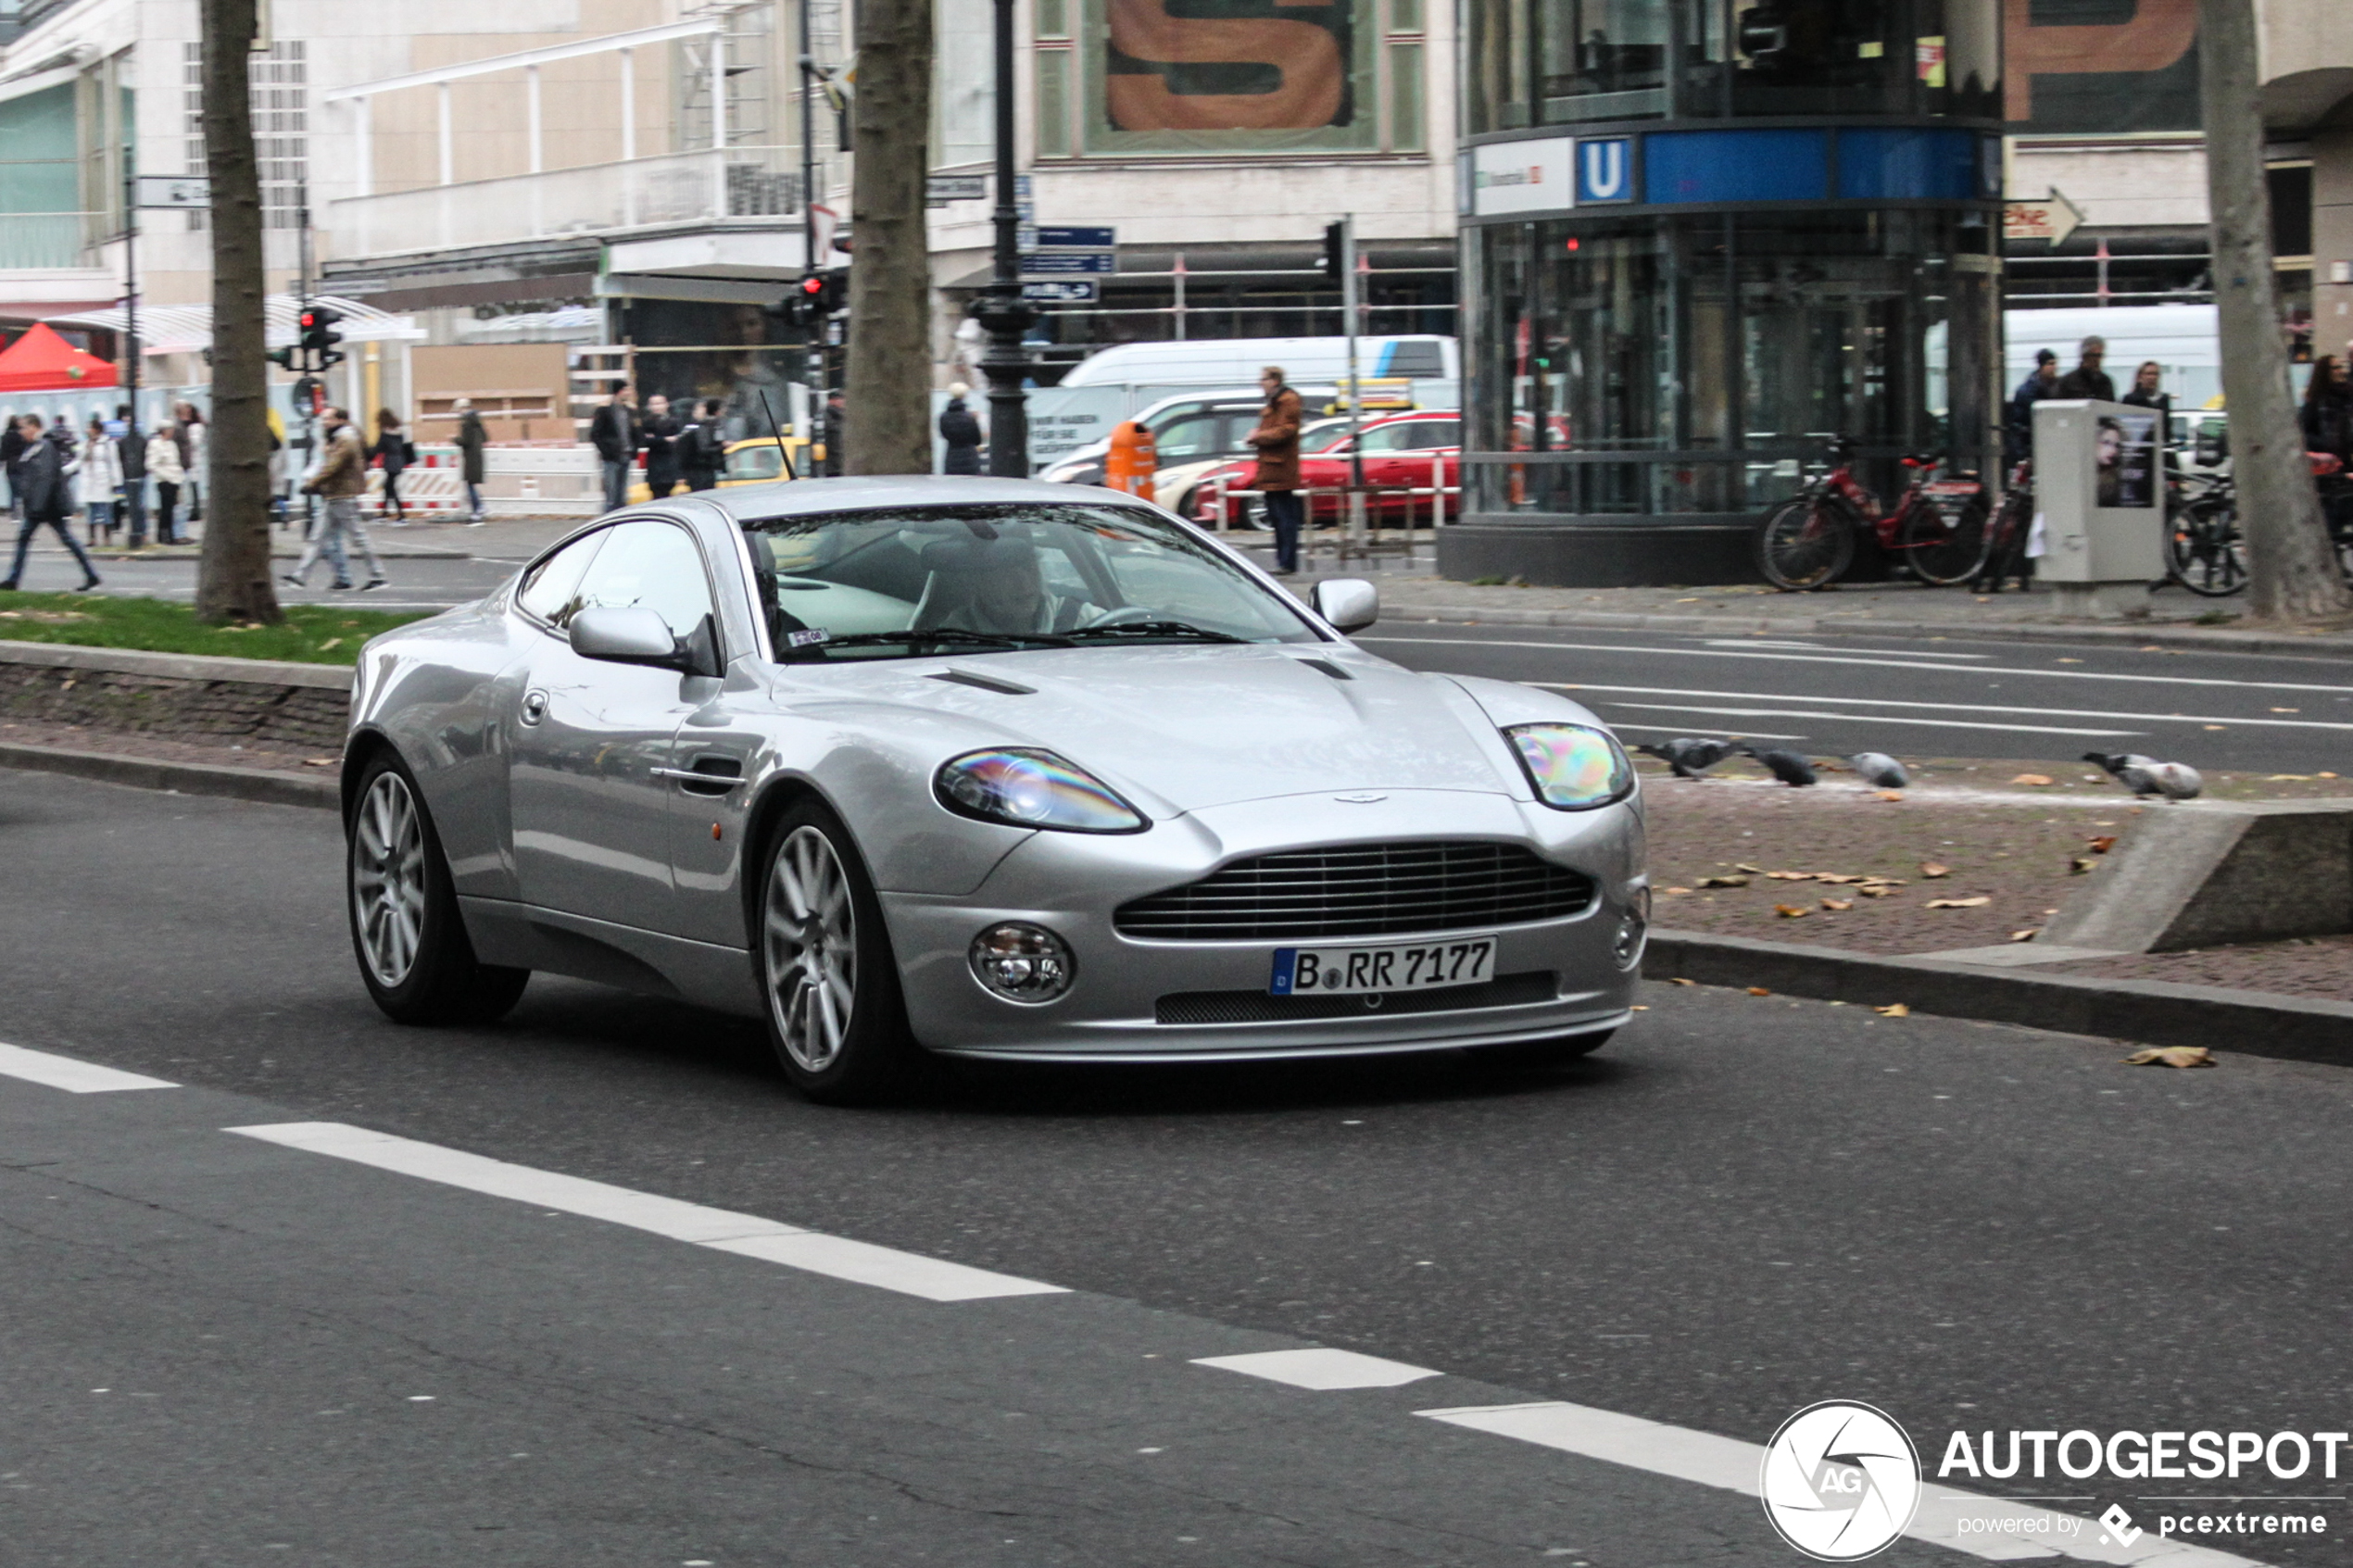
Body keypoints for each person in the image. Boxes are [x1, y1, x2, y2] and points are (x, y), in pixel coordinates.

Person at [285, 408, 387, 592]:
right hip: (333, 495)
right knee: (317, 538)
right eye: (323, 419)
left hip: (343, 495)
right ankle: (299, 577)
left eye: (328, 419)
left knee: (358, 538)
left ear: (340, 420)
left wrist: (312, 483)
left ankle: (378, 576)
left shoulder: (347, 439)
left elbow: (333, 466)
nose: (324, 422)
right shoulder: (337, 438)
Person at [0, 414, 100, 591]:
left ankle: (13, 579)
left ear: (34, 427)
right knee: (60, 539)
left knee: (60, 539)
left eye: (24, 428)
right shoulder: (36, 446)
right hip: (43, 505)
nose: (21, 432)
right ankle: (91, 575)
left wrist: (36, 505)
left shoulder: (44, 446)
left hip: (46, 506)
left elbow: (45, 478)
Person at [1246, 365, 1305, 574]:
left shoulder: (1287, 401)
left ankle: (1287, 562)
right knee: (1278, 517)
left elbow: (1286, 430)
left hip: (1280, 467)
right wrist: (1257, 437)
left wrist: (1258, 437)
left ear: (1275, 381)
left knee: (1284, 517)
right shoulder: (1276, 401)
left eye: (1263, 379)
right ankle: (1284, 561)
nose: (1260, 383)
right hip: (1272, 468)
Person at [2005, 349, 2059, 468]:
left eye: (2054, 364)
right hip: (2028, 443)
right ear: (2041, 366)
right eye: (2050, 364)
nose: (2054, 367)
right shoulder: (2027, 391)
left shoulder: (2054, 387)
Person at [590, 383, 638, 512]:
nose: (629, 393)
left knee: (622, 495)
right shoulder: (604, 410)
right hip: (611, 458)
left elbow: (634, 431)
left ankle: (620, 518)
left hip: (626, 456)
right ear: (619, 391)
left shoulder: (629, 410)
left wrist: (634, 449)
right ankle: (607, 520)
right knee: (611, 496)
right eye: (627, 390)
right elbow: (595, 434)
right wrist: (606, 451)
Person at [2300, 355, 2353, 465]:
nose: (2341, 371)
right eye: (2335, 368)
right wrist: (2326, 444)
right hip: (2328, 463)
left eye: (2341, 367)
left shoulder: (2348, 396)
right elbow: (2303, 432)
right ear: (2325, 372)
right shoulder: (2315, 401)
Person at [80, 413, 122, 546]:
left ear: (96, 430)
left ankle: (107, 539)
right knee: (91, 512)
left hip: (104, 481)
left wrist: (116, 481)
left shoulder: (108, 444)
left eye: (89, 428)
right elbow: (80, 460)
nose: (87, 430)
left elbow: (114, 463)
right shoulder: (85, 444)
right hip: (90, 482)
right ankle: (92, 539)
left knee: (106, 511)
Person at [113, 403, 147, 547]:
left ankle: (141, 531)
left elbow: (145, 456)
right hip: (129, 476)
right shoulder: (125, 442)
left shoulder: (140, 440)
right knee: (133, 505)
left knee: (138, 505)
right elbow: (121, 458)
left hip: (137, 475)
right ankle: (137, 530)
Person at [146, 422, 186, 545]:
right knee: (166, 510)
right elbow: (151, 464)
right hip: (164, 480)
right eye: (170, 430)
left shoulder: (171, 444)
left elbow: (176, 462)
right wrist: (165, 475)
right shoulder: (155, 444)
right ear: (164, 430)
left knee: (173, 509)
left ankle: (171, 534)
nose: (172, 432)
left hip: (175, 479)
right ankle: (164, 536)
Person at [372, 408, 415, 523]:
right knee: (388, 486)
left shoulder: (385, 433)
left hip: (390, 461)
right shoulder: (401, 430)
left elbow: (379, 448)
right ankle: (385, 512)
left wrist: (368, 453)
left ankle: (401, 515)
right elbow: (407, 446)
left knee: (390, 488)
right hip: (399, 460)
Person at [639, 393, 682, 498]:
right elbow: (644, 441)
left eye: (659, 403)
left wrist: (655, 439)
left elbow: (678, 440)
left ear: (666, 404)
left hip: (670, 462)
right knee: (656, 492)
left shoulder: (675, 421)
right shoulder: (646, 422)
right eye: (653, 404)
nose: (656, 407)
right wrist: (664, 439)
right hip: (654, 464)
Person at [454, 396, 488, 522]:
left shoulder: (466, 423)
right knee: (471, 484)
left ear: (462, 409)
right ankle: (480, 506)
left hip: (470, 456)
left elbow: (465, 441)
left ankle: (477, 508)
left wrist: (455, 439)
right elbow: (485, 438)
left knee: (469, 484)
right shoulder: (477, 421)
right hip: (478, 455)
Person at [938, 382, 984, 475]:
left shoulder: (943, 417)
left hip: (951, 457)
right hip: (970, 458)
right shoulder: (969, 417)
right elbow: (978, 440)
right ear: (965, 395)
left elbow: (943, 435)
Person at [681, 398, 725, 491]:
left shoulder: (711, 427)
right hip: (700, 470)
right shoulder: (698, 428)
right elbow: (703, 449)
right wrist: (722, 446)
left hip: (704, 469)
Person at [172, 401, 206, 525]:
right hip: (183, 459)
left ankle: (195, 511)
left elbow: (195, 442)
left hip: (192, 460)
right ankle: (189, 510)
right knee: (186, 486)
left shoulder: (195, 426)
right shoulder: (178, 424)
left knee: (193, 485)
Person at [2057, 335, 2116, 401]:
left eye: (2100, 356)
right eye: (2094, 356)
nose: (2097, 360)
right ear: (2084, 356)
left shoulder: (2105, 382)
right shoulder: (2067, 383)